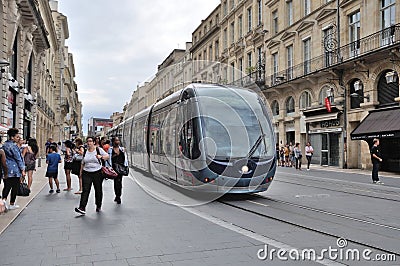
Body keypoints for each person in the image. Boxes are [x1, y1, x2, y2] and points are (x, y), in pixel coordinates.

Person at [75, 136, 109, 215]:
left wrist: (101, 157)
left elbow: (107, 156)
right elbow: (83, 162)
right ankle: (82, 207)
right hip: (86, 172)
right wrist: (80, 172)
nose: (89, 143)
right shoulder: (85, 151)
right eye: (87, 141)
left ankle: (98, 205)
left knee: (98, 190)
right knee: (85, 190)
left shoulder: (98, 150)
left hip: (97, 172)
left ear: (94, 142)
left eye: (90, 141)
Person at [2, 128, 26, 210]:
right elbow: (18, 158)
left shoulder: (4, 145)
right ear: (12, 137)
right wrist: (23, 169)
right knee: (15, 187)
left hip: (6, 169)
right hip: (14, 169)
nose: (18, 138)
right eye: (17, 137)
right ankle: (12, 204)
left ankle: (3, 200)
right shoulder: (13, 146)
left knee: (7, 186)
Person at [108, 137, 128, 204]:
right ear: (113, 142)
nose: (118, 141)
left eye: (118, 140)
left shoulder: (122, 149)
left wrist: (126, 166)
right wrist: (108, 167)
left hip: (121, 168)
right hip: (114, 168)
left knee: (119, 182)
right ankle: (117, 195)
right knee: (116, 182)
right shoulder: (110, 150)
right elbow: (108, 159)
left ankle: (118, 196)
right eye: (116, 140)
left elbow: (125, 158)